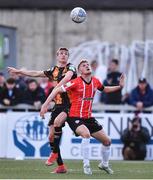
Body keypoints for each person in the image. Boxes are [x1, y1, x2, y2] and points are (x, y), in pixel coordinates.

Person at [40, 60, 124, 175]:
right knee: (86, 134)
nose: (87, 66)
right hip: (74, 116)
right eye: (84, 66)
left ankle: (104, 164)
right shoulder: (75, 82)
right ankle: (86, 165)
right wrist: (46, 104)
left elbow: (105, 89)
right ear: (80, 71)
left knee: (107, 141)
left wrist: (119, 87)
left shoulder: (95, 81)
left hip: (89, 117)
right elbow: (58, 89)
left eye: (88, 65)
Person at [7, 47, 77, 173]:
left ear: (68, 57)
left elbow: (68, 77)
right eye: (61, 53)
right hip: (58, 105)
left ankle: (54, 153)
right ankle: (60, 166)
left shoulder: (71, 67)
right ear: (57, 56)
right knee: (51, 137)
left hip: (70, 104)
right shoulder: (53, 70)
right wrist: (19, 72)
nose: (63, 55)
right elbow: (36, 73)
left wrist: (50, 97)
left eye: (66, 54)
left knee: (57, 123)